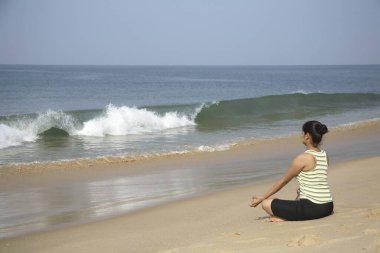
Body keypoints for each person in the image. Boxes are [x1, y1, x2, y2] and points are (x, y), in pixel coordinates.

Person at [250, 120, 334, 221]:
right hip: (328, 206)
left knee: (266, 204)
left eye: (302, 133)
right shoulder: (324, 155)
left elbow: (284, 181)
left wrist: (262, 197)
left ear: (307, 136)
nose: (301, 135)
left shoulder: (303, 158)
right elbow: (317, 178)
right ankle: (284, 216)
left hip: (313, 208)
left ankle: (282, 218)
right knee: (298, 193)